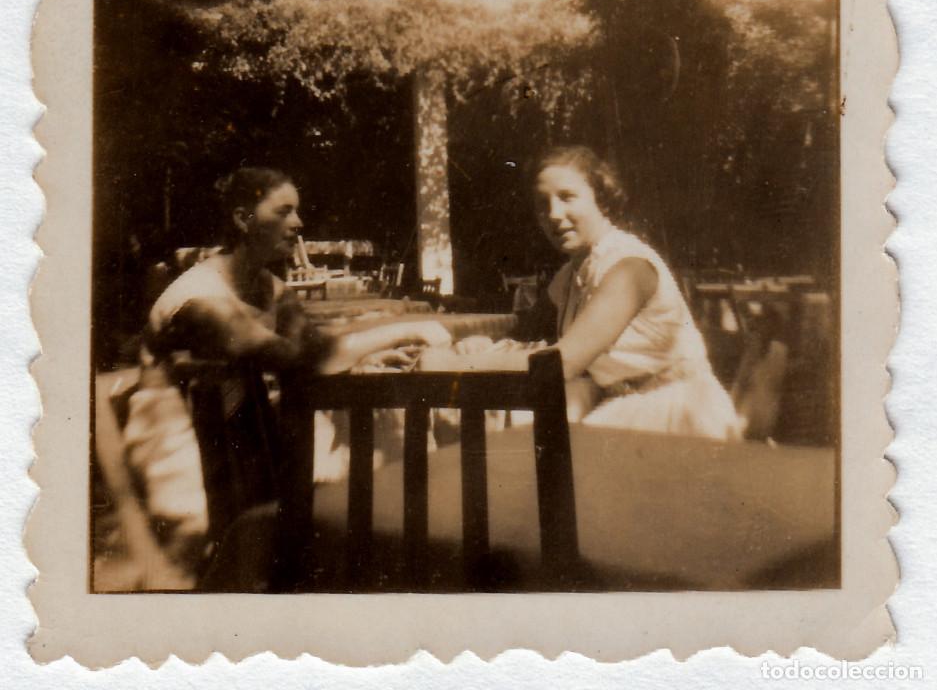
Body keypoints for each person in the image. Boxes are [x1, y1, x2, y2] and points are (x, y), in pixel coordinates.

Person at [122, 166, 449, 575]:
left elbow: (312, 346)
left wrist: (362, 358)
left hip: (238, 429)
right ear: (244, 218)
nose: (298, 223)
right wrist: (404, 329)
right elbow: (306, 358)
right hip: (176, 438)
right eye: (284, 211)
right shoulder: (201, 299)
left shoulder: (267, 286)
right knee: (231, 555)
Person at [420, 146, 742, 441]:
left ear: (600, 199)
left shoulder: (629, 268)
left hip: (674, 414)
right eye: (543, 205)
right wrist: (470, 340)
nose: (554, 214)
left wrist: (449, 365)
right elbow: (524, 327)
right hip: (622, 403)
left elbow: (563, 364)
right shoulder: (574, 271)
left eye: (567, 197)